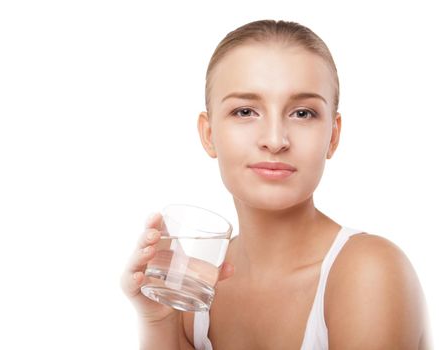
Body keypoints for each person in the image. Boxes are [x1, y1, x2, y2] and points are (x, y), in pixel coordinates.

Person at [120, 19, 432, 349]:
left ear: (333, 136)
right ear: (209, 134)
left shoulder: (369, 273)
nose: (274, 140)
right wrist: (159, 322)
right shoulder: (196, 287)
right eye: (244, 111)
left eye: (302, 113)